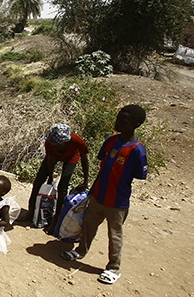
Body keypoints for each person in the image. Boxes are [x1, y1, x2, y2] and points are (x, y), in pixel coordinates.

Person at [61, 105, 148, 285]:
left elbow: (138, 175)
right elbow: (102, 169)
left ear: (136, 124)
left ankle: (113, 267)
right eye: (118, 118)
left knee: (114, 234)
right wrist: (92, 190)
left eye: (124, 121)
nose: (118, 122)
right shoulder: (111, 141)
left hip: (117, 202)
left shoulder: (137, 151)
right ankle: (81, 251)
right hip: (99, 195)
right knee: (89, 224)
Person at [23, 123, 89, 234]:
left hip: (71, 157)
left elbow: (84, 161)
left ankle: (57, 218)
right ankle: (31, 211)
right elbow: (51, 160)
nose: (54, 146)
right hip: (53, 157)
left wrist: (86, 180)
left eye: (58, 145)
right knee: (39, 180)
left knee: (63, 186)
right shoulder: (49, 143)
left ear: (66, 142)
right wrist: (50, 177)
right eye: (53, 144)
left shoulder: (77, 141)